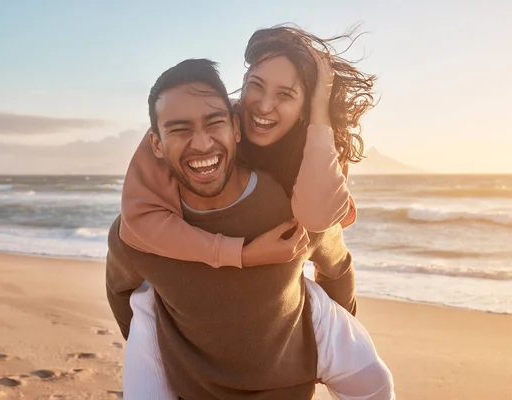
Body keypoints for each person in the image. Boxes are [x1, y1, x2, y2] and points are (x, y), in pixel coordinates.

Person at [107, 58, 394, 399]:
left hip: (287, 390)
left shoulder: (292, 209)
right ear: (156, 144)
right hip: (190, 389)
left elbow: (337, 268)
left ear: (236, 127)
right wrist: (174, 353)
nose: (200, 144)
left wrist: (324, 348)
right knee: (147, 304)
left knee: (377, 382)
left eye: (214, 123)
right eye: (179, 129)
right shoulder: (141, 234)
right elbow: (121, 294)